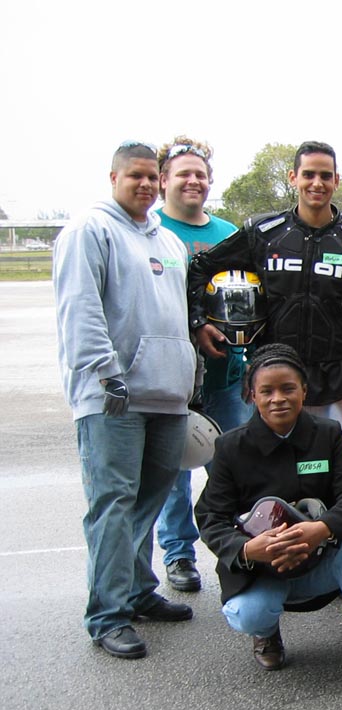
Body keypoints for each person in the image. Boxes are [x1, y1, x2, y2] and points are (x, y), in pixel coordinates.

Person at [53, 140, 196, 659]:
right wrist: (106, 373)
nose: (146, 185)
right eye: (135, 176)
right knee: (113, 505)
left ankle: (137, 591)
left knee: (148, 501)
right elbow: (80, 308)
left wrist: (189, 375)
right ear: (113, 177)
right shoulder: (89, 230)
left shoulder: (168, 240)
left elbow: (177, 314)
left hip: (168, 395)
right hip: (114, 396)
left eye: (152, 177)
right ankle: (107, 615)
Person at [194, 343, 342, 696]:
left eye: (288, 388)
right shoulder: (230, 447)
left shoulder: (328, 434)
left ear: (304, 391)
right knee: (248, 613)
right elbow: (210, 516)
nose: (278, 399)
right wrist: (248, 550)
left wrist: (321, 529)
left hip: (320, 559)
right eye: (267, 391)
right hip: (266, 567)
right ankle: (266, 632)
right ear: (252, 395)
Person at [188, 141, 342, 438]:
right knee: (272, 465)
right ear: (293, 177)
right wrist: (199, 322)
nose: (317, 183)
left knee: (340, 464)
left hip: (340, 386)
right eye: (309, 174)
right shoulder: (263, 233)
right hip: (273, 382)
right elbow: (201, 267)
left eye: (325, 176)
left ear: (336, 180)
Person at [152, 135, 243, 594]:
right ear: (163, 180)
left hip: (227, 376)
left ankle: (242, 546)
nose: (193, 181)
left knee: (235, 465)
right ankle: (178, 554)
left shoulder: (228, 233)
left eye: (200, 174)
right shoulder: (152, 229)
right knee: (174, 470)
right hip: (172, 376)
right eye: (183, 173)